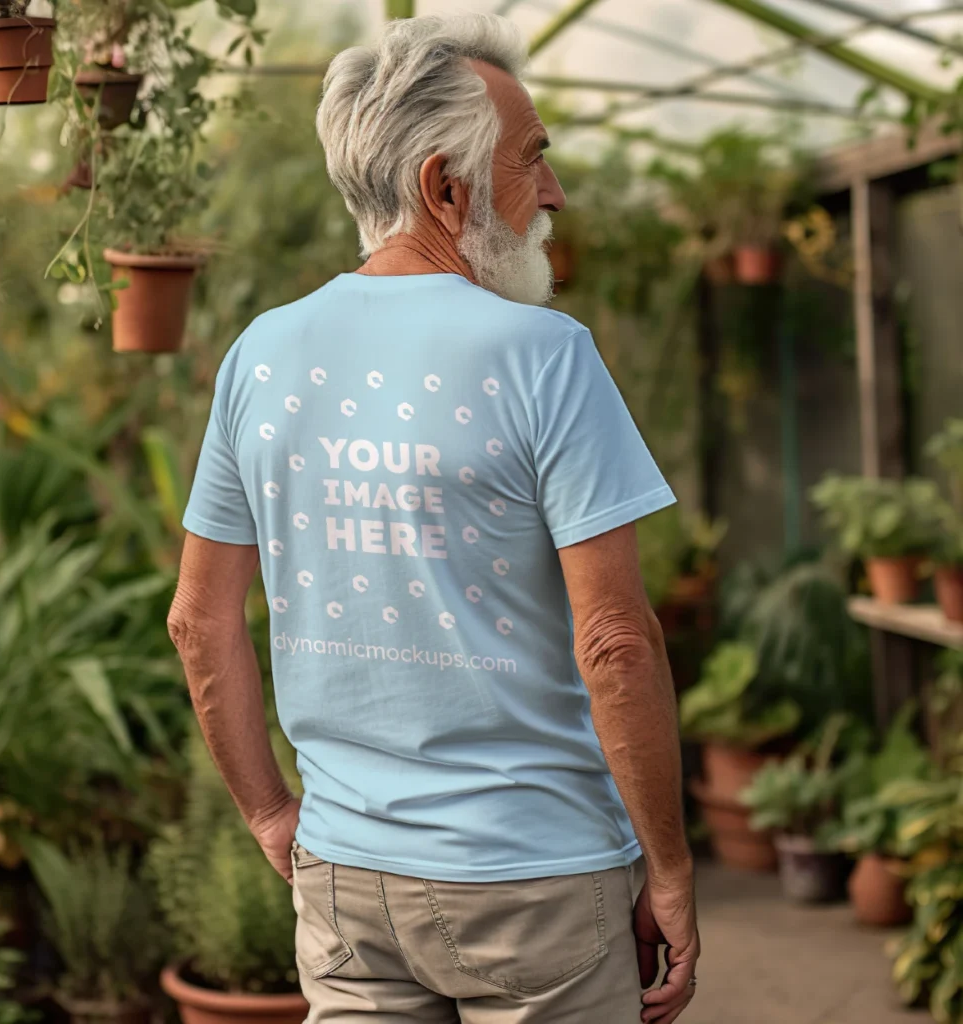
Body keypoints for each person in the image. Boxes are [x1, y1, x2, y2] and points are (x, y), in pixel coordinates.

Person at [169, 13, 699, 1024]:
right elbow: (617, 643)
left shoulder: (260, 355)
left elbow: (199, 622)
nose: (551, 192)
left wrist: (271, 812)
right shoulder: (544, 354)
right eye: (532, 159)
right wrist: (669, 868)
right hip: (537, 883)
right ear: (443, 186)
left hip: (343, 883)